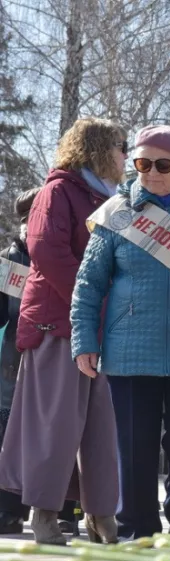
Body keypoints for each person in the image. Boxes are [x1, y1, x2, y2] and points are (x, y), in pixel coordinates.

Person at [71, 126, 170, 539]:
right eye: (141, 164)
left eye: (162, 164)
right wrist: (84, 340)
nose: (151, 173)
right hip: (129, 352)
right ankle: (137, 526)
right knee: (134, 448)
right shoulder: (117, 214)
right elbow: (89, 284)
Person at [0, 117, 125, 544]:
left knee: (100, 428)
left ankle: (101, 516)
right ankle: (44, 514)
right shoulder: (58, 191)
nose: (125, 155)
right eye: (119, 146)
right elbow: (46, 251)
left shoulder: (111, 197)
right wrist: (92, 298)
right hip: (58, 323)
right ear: (97, 148)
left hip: (103, 326)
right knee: (55, 425)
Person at [0, 188, 38, 533]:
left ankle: (64, 508)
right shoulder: (7, 262)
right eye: (25, 218)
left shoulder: (61, 254)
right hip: (11, 367)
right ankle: (8, 511)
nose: (31, 224)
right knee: (7, 437)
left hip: (52, 358)